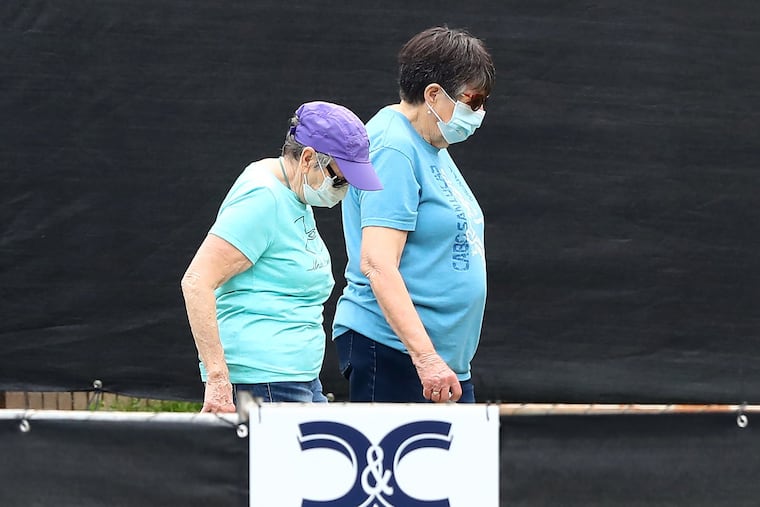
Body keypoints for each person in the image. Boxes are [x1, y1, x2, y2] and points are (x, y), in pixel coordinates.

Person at [181, 101, 382, 412]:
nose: (343, 190)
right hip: (264, 380)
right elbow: (196, 281)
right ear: (307, 158)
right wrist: (218, 379)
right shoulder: (263, 196)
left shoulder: (293, 192)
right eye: (340, 179)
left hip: (293, 377)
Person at [332, 26, 495, 403]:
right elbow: (377, 263)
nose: (480, 112)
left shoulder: (430, 143)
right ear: (433, 95)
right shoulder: (393, 148)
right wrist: (425, 358)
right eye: (473, 100)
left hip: (440, 364)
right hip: (397, 355)